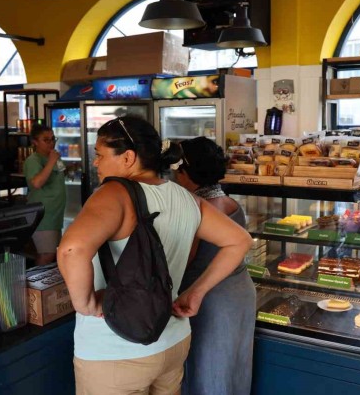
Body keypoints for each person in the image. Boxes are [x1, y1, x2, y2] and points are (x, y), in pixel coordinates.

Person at [57, 116, 252, 395]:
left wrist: (85, 303)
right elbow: (239, 241)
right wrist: (195, 293)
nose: (96, 163)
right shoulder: (186, 198)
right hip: (172, 341)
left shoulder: (113, 193)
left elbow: (71, 249)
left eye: (100, 155)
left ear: (128, 157)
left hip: (116, 349)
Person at [174, 137, 255, 395]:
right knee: (232, 364)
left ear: (185, 173)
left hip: (210, 297)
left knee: (207, 364)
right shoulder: (230, 203)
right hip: (239, 292)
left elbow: (184, 260)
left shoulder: (198, 209)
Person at [24, 124, 66, 265]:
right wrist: (51, 161)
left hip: (55, 215)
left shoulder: (53, 157)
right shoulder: (33, 160)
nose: (51, 143)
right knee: (47, 254)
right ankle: (36, 279)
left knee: (53, 254)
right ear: (35, 142)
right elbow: (36, 183)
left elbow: (58, 174)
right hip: (43, 216)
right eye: (46, 140)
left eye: (53, 139)